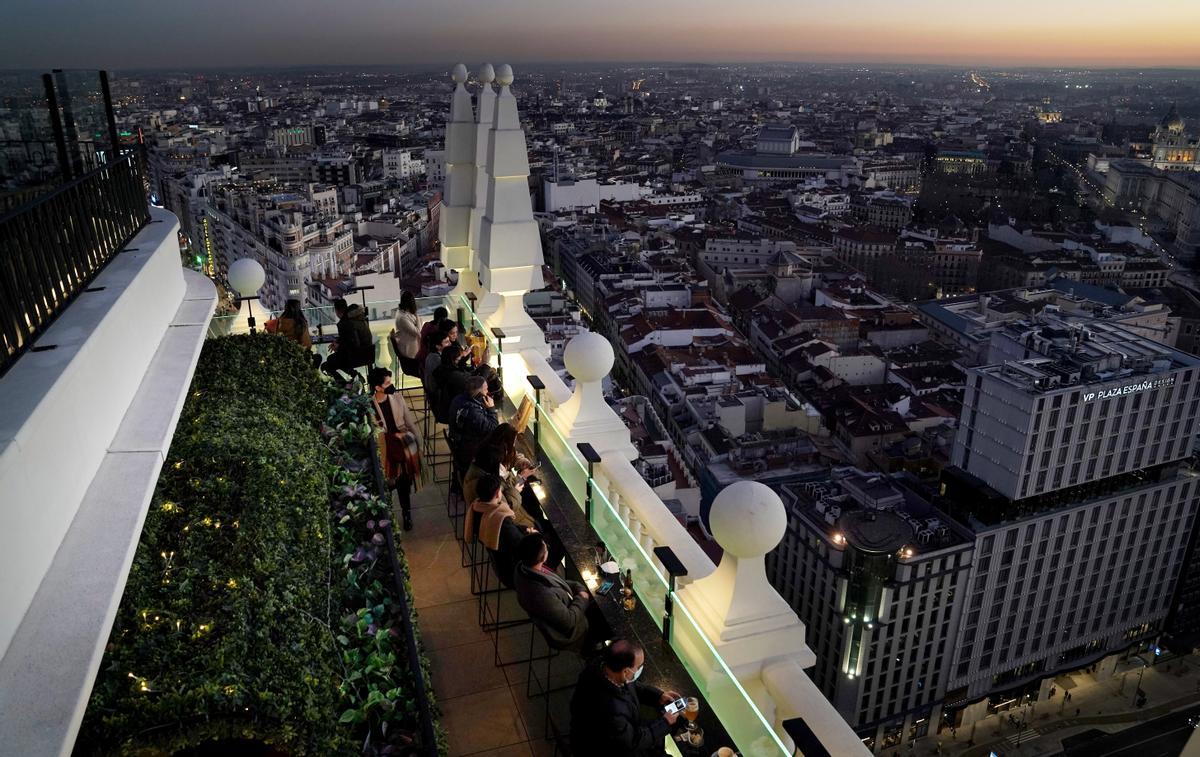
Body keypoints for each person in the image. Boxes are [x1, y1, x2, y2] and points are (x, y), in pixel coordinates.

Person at [570, 639, 682, 756]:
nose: (640, 669)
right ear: (625, 672)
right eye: (639, 667)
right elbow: (633, 743)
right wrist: (665, 722)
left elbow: (631, 685)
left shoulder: (603, 666)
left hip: (618, 733)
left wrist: (658, 695)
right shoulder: (611, 710)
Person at [514, 532, 594, 653]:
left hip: (566, 603)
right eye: (545, 548)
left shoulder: (522, 567)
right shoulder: (541, 594)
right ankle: (591, 650)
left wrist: (578, 587)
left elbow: (559, 583)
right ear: (542, 557)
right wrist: (582, 598)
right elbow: (569, 622)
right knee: (605, 619)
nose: (547, 548)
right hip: (571, 630)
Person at [369, 367, 420, 531]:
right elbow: (374, 435)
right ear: (377, 387)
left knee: (405, 483)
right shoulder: (370, 406)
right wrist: (392, 437)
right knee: (388, 485)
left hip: (402, 447)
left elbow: (408, 421)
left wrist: (417, 440)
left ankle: (406, 513)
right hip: (385, 451)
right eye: (387, 383)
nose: (391, 385)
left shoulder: (397, 397)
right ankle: (387, 515)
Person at [464, 472, 533, 589]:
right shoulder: (500, 520)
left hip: (499, 563)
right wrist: (532, 535)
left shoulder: (476, 509)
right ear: (497, 494)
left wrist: (525, 530)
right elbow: (522, 547)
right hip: (513, 571)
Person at [448, 375, 498, 473]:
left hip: (459, 443)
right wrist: (491, 408)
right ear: (479, 393)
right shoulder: (473, 412)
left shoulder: (459, 398)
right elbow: (493, 427)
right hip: (468, 452)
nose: (487, 392)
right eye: (486, 389)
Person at [323, 298, 374, 378]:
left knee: (328, 364)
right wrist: (338, 342)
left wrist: (339, 347)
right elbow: (351, 337)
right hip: (368, 353)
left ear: (337, 311)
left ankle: (347, 384)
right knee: (334, 360)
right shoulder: (358, 317)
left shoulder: (345, 323)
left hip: (357, 356)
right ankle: (355, 377)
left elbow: (353, 344)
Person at [391, 292, 422, 378]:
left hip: (410, 349)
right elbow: (418, 332)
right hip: (409, 356)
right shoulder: (402, 317)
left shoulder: (404, 313)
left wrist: (417, 319)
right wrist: (417, 316)